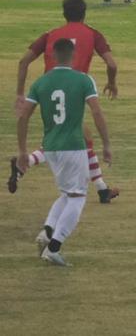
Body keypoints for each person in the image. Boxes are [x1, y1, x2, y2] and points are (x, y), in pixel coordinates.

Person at [10, 0, 119, 204]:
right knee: (64, 140)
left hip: (48, 89)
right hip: (75, 89)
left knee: (83, 137)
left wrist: (19, 94)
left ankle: (102, 189)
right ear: (84, 14)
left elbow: (23, 62)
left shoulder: (51, 34)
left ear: (64, 14)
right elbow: (112, 65)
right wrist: (112, 82)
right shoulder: (93, 34)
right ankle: (25, 164)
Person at [15, 38, 113, 266]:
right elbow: (97, 113)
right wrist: (106, 144)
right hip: (73, 146)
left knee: (67, 194)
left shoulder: (41, 83)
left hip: (50, 147)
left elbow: (23, 116)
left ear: (53, 56)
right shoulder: (83, 80)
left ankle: (47, 232)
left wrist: (22, 151)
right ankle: (54, 247)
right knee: (78, 197)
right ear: (73, 55)